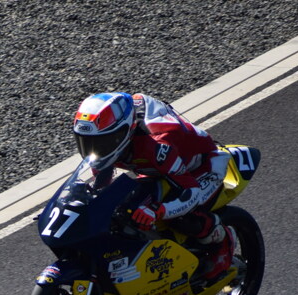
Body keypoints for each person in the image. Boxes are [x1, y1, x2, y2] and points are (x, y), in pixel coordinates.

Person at [72, 91, 235, 282]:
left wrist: (159, 211)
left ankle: (220, 238)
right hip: (158, 169)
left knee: (177, 216)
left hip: (200, 167)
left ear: (124, 132)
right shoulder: (110, 141)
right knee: (121, 207)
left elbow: (191, 192)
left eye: (101, 142)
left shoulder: (157, 146)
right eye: (87, 142)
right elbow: (101, 184)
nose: (94, 149)